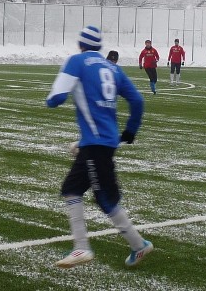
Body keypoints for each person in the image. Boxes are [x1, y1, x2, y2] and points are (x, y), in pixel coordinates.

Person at [46, 25, 153, 269]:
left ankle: (84, 247)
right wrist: (130, 132)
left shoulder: (77, 62)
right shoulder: (112, 68)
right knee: (75, 190)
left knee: (104, 198)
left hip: (96, 145)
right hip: (101, 143)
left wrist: (51, 99)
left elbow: (57, 97)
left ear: (81, 44)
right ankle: (137, 246)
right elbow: (137, 100)